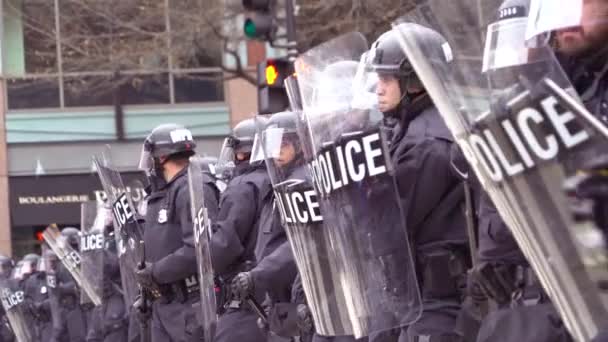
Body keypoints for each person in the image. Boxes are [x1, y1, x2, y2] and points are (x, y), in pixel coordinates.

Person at [368, 27, 470, 341]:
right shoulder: (414, 130)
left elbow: (388, 222)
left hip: (438, 302)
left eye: (387, 80)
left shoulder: (425, 143)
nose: (378, 89)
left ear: (416, 82)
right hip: (421, 297)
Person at [134, 123, 218, 342]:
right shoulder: (163, 193)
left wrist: (156, 273)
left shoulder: (193, 188)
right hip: (163, 304)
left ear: (161, 158)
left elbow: (200, 249)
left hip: (190, 305)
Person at [210, 117, 271, 342]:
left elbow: (224, 244)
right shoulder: (279, 179)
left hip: (246, 299)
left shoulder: (243, 186)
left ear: (243, 152)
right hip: (277, 295)